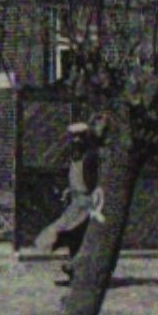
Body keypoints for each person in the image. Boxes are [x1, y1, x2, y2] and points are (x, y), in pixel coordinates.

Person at [35, 120, 105, 283]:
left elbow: (94, 182)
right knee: (70, 235)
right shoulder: (75, 156)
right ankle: (75, 268)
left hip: (86, 203)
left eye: (80, 137)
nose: (77, 141)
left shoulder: (91, 156)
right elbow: (76, 177)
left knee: (74, 234)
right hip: (75, 201)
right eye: (74, 137)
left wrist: (94, 202)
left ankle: (76, 268)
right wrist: (69, 189)